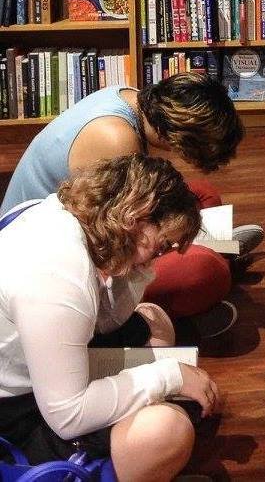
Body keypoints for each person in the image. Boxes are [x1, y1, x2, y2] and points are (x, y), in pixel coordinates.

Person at [0, 154, 222, 482]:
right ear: (134, 217)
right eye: (162, 245)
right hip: (16, 416)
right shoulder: (58, 275)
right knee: (166, 431)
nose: (159, 256)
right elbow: (68, 415)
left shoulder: (60, 212)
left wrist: (135, 267)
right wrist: (169, 377)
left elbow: (108, 321)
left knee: (154, 320)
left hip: (36, 376)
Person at [1, 73, 263, 336]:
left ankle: (213, 255)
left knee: (204, 195)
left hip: (81, 227)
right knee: (208, 272)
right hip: (49, 264)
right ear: (182, 139)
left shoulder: (132, 99)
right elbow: (113, 250)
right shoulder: (117, 141)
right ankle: (180, 316)